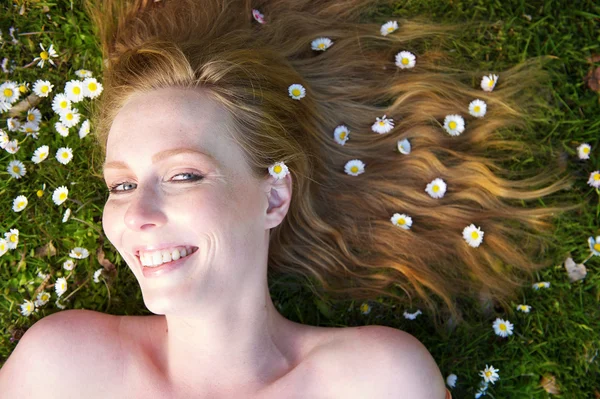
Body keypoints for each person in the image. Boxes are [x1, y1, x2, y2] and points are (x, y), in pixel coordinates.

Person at [0, 0, 577, 397]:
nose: (138, 216)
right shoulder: (61, 367)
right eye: (121, 185)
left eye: (183, 176)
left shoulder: (376, 382)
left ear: (273, 196)